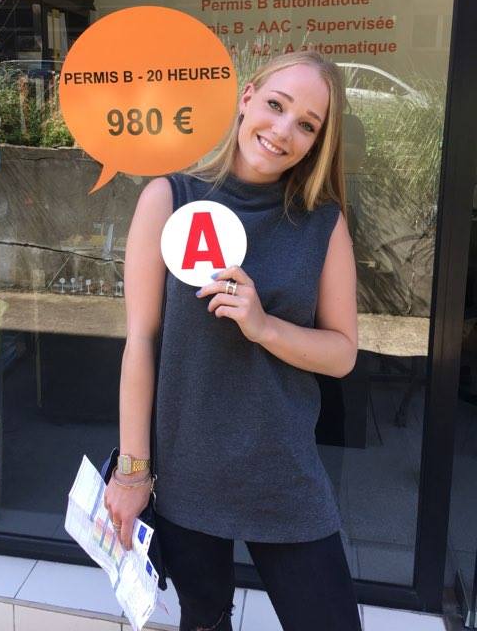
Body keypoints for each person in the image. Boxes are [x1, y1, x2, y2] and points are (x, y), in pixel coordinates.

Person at [104, 50, 361, 631]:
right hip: (187, 476)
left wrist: (263, 326)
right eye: (276, 105)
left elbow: (343, 353)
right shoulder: (169, 199)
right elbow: (140, 341)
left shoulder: (322, 222)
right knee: (205, 622)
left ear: (318, 143)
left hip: (284, 473)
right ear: (247, 98)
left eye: (307, 125)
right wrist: (132, 472)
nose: (283, 131)